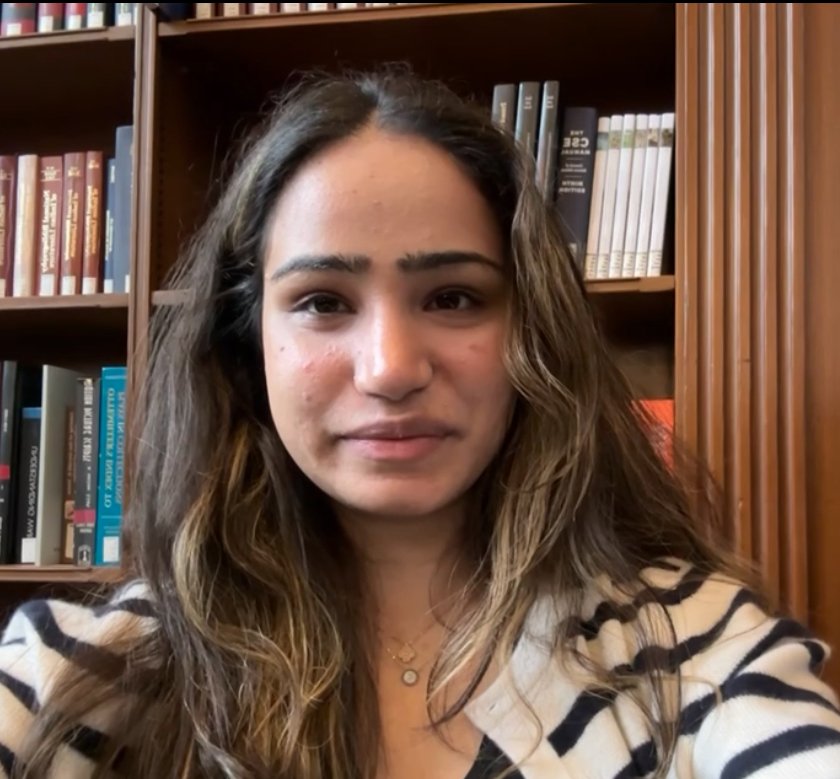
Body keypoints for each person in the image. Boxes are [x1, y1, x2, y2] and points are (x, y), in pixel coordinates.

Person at [1, 66, 839, 779]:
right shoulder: (84, 670)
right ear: (247, 342)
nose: (392, 368)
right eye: (323, 302)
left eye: (453, 297)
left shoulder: (700, 651)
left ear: (531, 329)